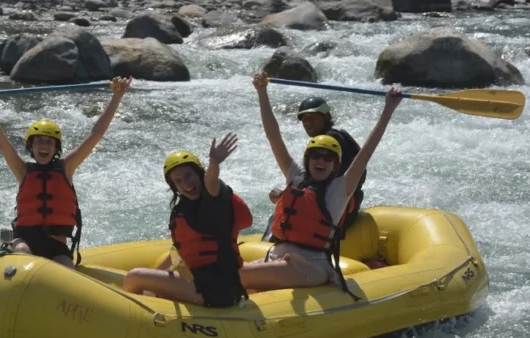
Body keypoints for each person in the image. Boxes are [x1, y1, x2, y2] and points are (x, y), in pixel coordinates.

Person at [241, 71, 403, 294]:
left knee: (235, 274)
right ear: (307, 160)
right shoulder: (296, 176)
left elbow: (367, 152)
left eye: (328, 158)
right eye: (316, 156)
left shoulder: (339, 190)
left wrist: (389, 109)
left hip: (310, 265)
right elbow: (273, 136)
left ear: (336, 165)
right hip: (277, 257)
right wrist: (262, 92)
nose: (321, 161)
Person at [0, 76, 132, 267]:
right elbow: (1, 140)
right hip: (24, 241)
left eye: (49, 142)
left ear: (56, 148)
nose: (44, 146)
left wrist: (117, 97)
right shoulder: (22, 170)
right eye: (39, 141)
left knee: (67, 268)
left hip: (56, 246)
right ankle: (13, 257)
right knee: (23, 252)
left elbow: (95, 134)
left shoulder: (66, 168)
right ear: (31, 147)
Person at [122, 134, 253, 307]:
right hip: (200, 282)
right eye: (178, 181)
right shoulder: (184, 210)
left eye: (188, 175)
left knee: (135, 277)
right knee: (147, 290)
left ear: (199, 174)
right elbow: (179, 253)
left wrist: (214, 162)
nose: (186, 184)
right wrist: (156, 276)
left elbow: (211, 181)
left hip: (219, 287)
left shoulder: (214, 200)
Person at [263, 95, 365, 239]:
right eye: (304, 118)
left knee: (280, 215)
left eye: (313, 117)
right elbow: (274, 138)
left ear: (326, 117)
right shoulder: (336, 138)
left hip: (336, 211)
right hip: (341, 206)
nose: (307, 122)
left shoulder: (332, 143)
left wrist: (283, 197)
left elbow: (324, 192)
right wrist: (262, 92)